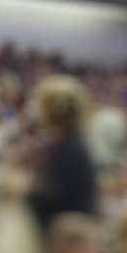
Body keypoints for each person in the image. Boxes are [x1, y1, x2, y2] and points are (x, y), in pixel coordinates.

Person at [28, 76, 99, 232]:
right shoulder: (61, 145)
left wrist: (22, 187)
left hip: (70, 238)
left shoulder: (73, 150)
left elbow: (47, 194)